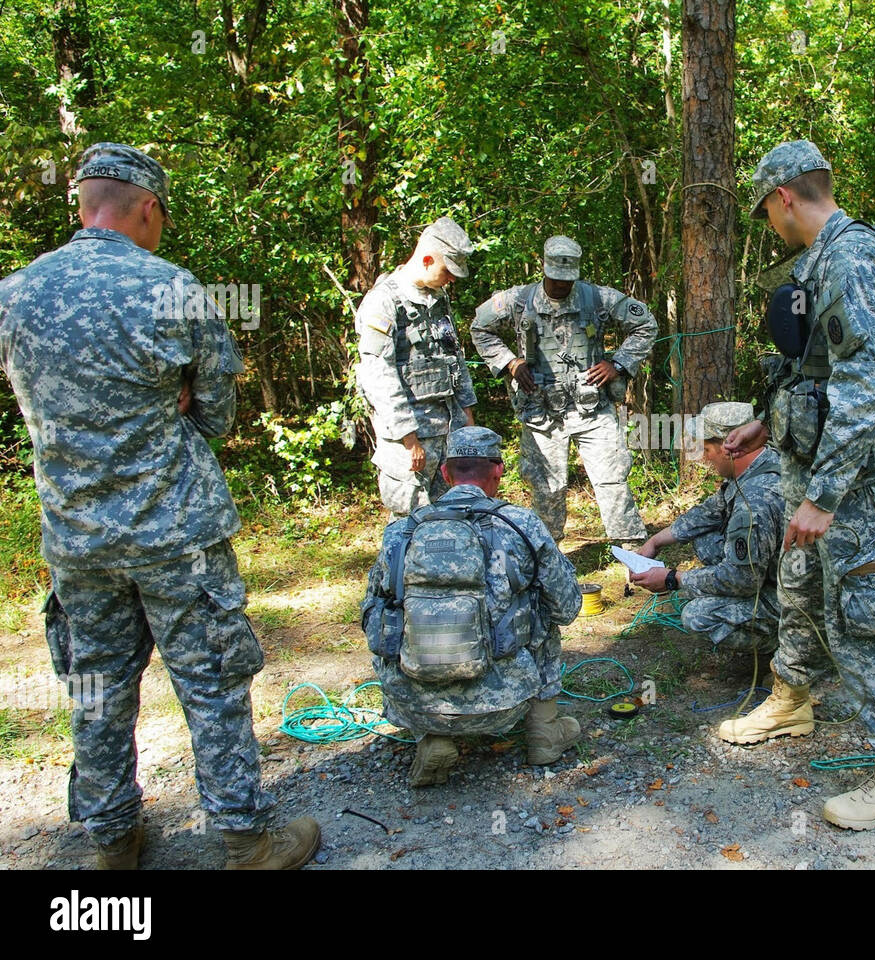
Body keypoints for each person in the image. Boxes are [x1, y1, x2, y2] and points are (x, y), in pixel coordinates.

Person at [0, 142, 319, 869]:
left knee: (97, 690)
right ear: (147, 208)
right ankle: (245, 841)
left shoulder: (15, 291)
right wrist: (170, 401)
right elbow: (215, 416)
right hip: (175, 533)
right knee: (209, 683)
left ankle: (114, 844)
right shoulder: (171, 288)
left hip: (77, 540)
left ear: (83, 204)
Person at [716, 140, 875, 832]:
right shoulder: (823, 260)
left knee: (871, 615)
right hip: (813, 465)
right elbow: (815, 374)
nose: (770, 226)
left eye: (766, 213)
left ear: (783, 199)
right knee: (800, 587)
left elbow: (868, 386)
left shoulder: (849, 259)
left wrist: (823, 496)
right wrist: (761, 428)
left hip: (853, 482)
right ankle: (792, 698)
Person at [362, 426, 583, 786]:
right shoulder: (521, 524)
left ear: (446, 474)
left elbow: (372, 614)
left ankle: (432, 737)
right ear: (497, 471)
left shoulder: (402, 531)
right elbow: (568, 607)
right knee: (543, 614)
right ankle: (543, 734)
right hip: (503, 703)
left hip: (414, 704)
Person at [470, 235, 655, 543]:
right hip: (542, 412)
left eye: (567, 280)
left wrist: (619, 364)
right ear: (544, 269)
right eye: (556, 279)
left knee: (613, 479)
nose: (561, 286)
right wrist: (510, 363)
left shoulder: (597, 298)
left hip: (593, 409)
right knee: (547, 487)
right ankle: (546, 555)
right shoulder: (518, 300)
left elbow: (645, 324)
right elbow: (480, 327)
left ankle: (632, 552)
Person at [630, 402, 782, 655]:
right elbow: (708, 513)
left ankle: (788, 648)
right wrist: (654, 542)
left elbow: (742, 580)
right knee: (703, 538)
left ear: (729, 447)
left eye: (707, 448)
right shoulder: (763, 462)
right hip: (776, 577)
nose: (703, 456)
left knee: (698, 615)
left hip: (797, 603)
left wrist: (673, 579)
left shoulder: (755, 502)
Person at [355, 217, 478, 517]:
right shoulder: (383, 302)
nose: (451, 280)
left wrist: (468, 416)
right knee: (410, 524)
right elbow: (378, 375)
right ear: (426, 260)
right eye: (448, 271)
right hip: (410, 441)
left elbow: (454, 357)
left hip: (448, 429)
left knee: (452, 518)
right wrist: (408, 438)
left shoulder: (438, 299)